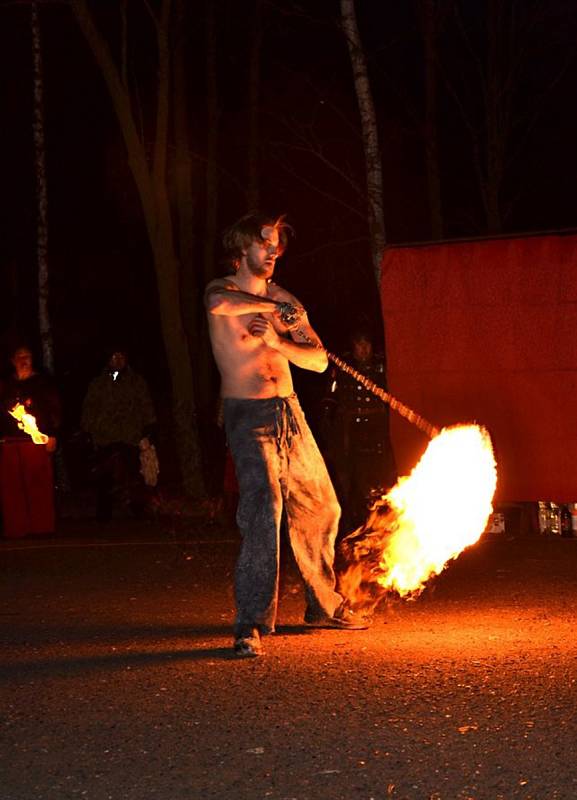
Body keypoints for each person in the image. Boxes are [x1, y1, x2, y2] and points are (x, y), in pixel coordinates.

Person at [205, 212, 369, 659]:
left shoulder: (286, 302)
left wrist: (278, 341)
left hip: (290, 413)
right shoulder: (223, 291)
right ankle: (251, 623)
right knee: (265, 508)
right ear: (242, 250)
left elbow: (316, 361)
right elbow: (220, 306)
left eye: (277, 243)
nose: (273, 250)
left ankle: (322, 605)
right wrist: (270, 310)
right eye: (264, 243)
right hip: (248, 414)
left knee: (322, 505)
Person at [321, 328, 397, 533]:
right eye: (359, 344)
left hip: (376, 427)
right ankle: (351, 522)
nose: (363, 349)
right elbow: (331, 395)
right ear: (353, 347)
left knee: (379, 474)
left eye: (367, 344)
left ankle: (379, 521)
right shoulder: (343, 367)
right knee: (350, 475)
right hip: (350, 428)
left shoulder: (381, 366)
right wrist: (330, 421)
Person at [81, 347, 156, 521]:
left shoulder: (136, 382)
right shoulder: (98, 383)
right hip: (105, 438)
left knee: (133, 476)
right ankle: (104, 514)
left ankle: (137, 512)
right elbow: (89, 409)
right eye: (114, 356)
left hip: (131, 437)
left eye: (121, 356)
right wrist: (90, 430)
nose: (117, 360)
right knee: (104, 478)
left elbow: (146, 406)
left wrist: (148, 431)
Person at [0, 345, 61, 538]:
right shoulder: (6, 385)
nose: (24, 360)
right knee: (12, 488)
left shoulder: (43, 382)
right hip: (10, 442)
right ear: (12, 361)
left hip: (36, 441)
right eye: (19, 356)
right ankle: (17, 528)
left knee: (38, 485)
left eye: (27, 356)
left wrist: (52, 434)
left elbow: (55, 409)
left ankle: (42, 527)